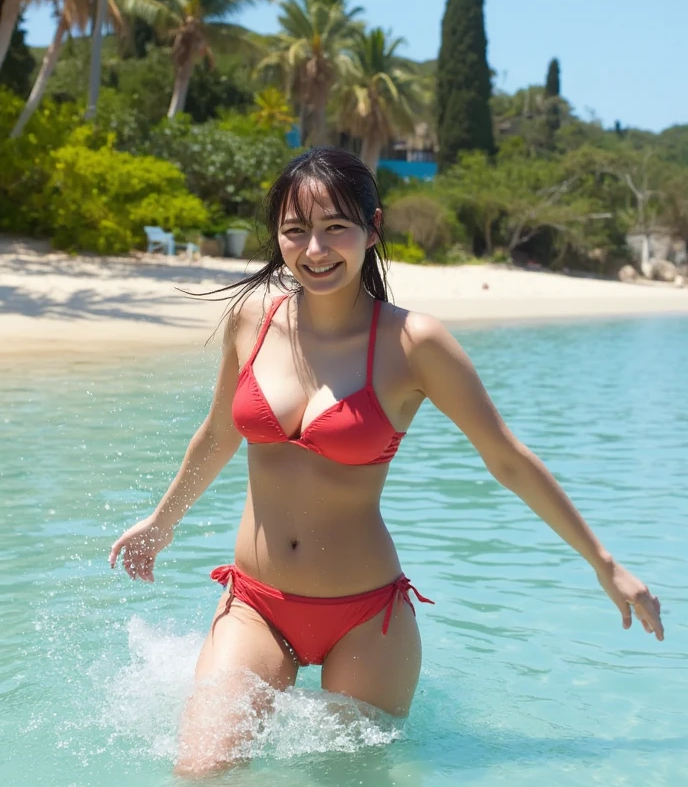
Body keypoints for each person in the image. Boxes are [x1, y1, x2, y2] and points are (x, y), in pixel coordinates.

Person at [109, 148, 664, 778]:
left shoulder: (413, 343)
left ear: (373, 229)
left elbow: (506, 459)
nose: (314, 249)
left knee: (348, 777)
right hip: (256, 603)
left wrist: (605, 564)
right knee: (202, 769)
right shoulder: (251, 321)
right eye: (295, 231)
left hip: (365, 616)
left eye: (335, 227)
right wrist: (162, 521)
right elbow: (216, 435)